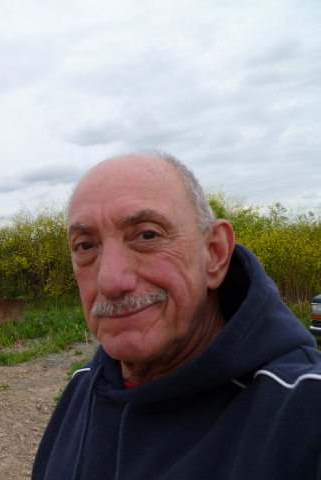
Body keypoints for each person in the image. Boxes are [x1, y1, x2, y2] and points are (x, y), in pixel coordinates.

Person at [32, 151, 321, 480]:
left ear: (214, 254)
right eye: (85, 246)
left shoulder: (304, 411)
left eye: (147, 235)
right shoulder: (84, 384)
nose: (109, 281)